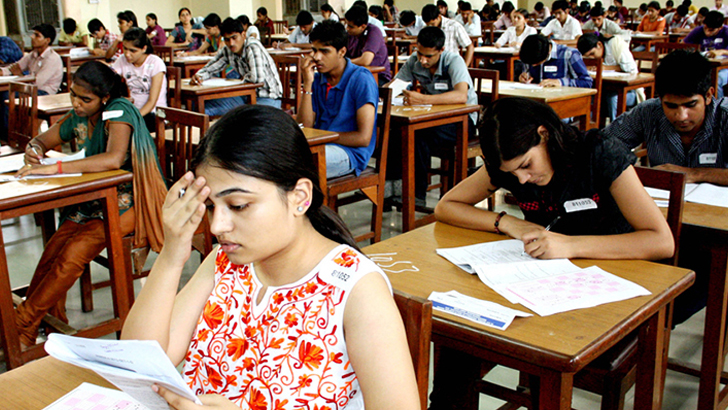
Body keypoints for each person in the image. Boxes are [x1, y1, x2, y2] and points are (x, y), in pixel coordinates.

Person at [120, 104, 419, 410]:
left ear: (299, 197)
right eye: (210, 206)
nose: (216, 226)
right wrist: (172, 255)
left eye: (238, 205)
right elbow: (138, 366)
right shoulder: (224, 263)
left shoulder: (355, 291)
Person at [429, 97, 673, 410]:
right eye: (512, 173)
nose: (521, 179)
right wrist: (509, 224)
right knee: (461, 332)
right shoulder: (510, 164)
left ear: (544, 134)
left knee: (540, 352)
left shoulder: (598, 152)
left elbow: (661, 241)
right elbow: (446, 206)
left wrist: (570, 245)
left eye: (526, 165)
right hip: (539, 281)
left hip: (609, 286)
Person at [14, 60, 167, 349]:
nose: (77, 103)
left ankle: (24, 323)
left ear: (104, 97)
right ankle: (35, 322)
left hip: (134, 200)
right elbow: (42, 140)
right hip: (97, 200)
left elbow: (113, 158)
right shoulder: (80, 115)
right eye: (73, 95)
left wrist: (53, 169)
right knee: (54, 248)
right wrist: (33, 151)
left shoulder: (119, 109)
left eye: (85, 99)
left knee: (73, 253)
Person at [604, 50, 728, 324]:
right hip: (660, 223)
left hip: (716, 230)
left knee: (681, 296)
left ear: (709, 95)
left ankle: (660, 323)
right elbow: (603, 147)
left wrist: (692, 174)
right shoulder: (648, 113)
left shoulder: (726, 117)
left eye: (691, 104)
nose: (681, 115)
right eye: (671, 106)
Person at [384, 26, 478, 208]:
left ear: (441, 51)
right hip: (434, 118)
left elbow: (461, 96)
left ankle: (417, 194)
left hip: (463, 122)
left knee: (418, 136)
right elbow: (396, 84)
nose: (423, 60)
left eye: (428, 56)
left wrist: (423, 99)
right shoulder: (414, 60)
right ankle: (392, 189)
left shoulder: (454, 61)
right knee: (395, 130)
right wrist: (382, 94)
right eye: (420, 54)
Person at [299, 21, 379, 179]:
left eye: (324, 51)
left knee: (295, 163)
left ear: (342, 52)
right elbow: (305, 127)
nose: (316, 57)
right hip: (320, 146)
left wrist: (323, 136)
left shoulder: (361, 79)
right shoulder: (317, 79)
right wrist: (307, 85)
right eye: (314, 50)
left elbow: (363, 138)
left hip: (350, 153)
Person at [191, 18, 283, 115]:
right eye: (227, 39)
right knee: (203, 106)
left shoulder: (252, 47)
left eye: (234, 38)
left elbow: (257, 79)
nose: (231, 43)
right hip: (245, 96)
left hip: (267, 96)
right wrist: (199, 76)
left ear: (243, 35)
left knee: (248, 120)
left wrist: (235, 84)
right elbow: (210, 68)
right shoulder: (227, 50)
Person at [0, 24, 62, 141]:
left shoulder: (52, 58)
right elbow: (14, 67)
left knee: (6, 97)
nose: (32, 37)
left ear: (47, 40)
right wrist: (2, 72)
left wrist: (19, 75)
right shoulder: (32, 55)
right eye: (33, 34)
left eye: (37, 35)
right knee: (2, 96)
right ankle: (5, 134)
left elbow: (37, 82)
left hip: (44, 93)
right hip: (30, 90)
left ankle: (10, 137)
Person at [112, 28, 167, 132]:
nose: (127, 54)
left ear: (144, 48)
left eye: (133, 51)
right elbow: (109, 77)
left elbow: (152, 102)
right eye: (125, 48)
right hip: (133, 110)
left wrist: (133, 117)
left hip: (154, 114)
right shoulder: (122, 60)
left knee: (123, 129)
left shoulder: (155, 63)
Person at [578, 33, 641, 121]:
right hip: (604, 90)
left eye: (592, 54)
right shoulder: (596, 55)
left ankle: (614, 129)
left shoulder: (616, 45)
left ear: (599, 44)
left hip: (627, 91)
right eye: (588, 56)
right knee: (590, 96)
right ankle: (591, 128)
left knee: (613, 97)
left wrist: (605, 68)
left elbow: (630, 69)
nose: (592, 58)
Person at [519, 34, 592, 88]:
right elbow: (527, 72)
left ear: (547, 53)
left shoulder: (569, 54)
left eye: (536, 63)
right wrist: (524, 77)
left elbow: (587, 82)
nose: (533, 66)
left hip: (563, 99)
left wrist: (560, 82)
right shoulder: (530, 53)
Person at [684, 11, 728, 98]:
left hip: (724, 67)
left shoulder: (726, 32)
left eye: (711, 30)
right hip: (704, 65)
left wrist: (722, 51)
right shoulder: (699, 30)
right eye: (706, 28)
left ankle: (718, 107)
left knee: (716, 80)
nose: (707, 32)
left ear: (720, 28)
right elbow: (683, 45)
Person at [344, 5, 392, 85]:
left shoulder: (374, 32)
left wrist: (342, 62)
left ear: (362, 27)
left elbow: (365, 60)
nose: (347, 28)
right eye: (346, 24)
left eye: (351, 26)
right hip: (356, 73)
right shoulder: (350, 34)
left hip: (377, 77)